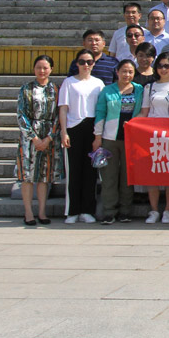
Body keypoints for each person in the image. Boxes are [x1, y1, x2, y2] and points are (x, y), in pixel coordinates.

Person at [92, 59, 144, 224]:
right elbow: (100, 112)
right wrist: (97, 136)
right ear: (117, 72)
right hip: (110, 138)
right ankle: (109, 211)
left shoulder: (139, 89)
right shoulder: (108, 90)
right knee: (109, 176)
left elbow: (143, 111)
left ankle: (125, 211)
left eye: (130, 72)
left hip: (131, 139)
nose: (127, 75)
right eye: (124, 71)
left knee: (127, 177)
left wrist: (134, 123)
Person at [137, 54, 169, 223]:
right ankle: (154, 210)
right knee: (153, 173)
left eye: (167, 66)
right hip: (151, 135)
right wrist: (133, 123)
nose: (163, 69)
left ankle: (168, 210)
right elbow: (144, 111)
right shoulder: (149, 87)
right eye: (160, 66)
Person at [57, 49, 105, 223]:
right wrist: (64, 132)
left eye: (89, 62)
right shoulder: (69, 83)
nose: (86, 65)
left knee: (90, 172)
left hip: (92, 129)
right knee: (74, 171)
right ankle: (72, 211)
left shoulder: (99, 83)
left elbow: (102, 109)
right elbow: (63, 109)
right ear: (76, 64)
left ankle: (87, 210)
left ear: (94, 64)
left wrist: (98, 135)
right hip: (73, 128)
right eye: (82, 62)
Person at [16, 55, 62, 226]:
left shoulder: (56, 90)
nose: (42, 71)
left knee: (44, 176)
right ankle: (28, 212)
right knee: (27, 176)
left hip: (49, 135)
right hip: (30, 137)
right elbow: (21, 114)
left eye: (45, 68)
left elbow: (59, 115)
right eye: (38, 67)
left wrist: (49, 137)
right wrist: (34, 138)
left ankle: (42, 211)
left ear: (51, 69)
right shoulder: (26, 89)